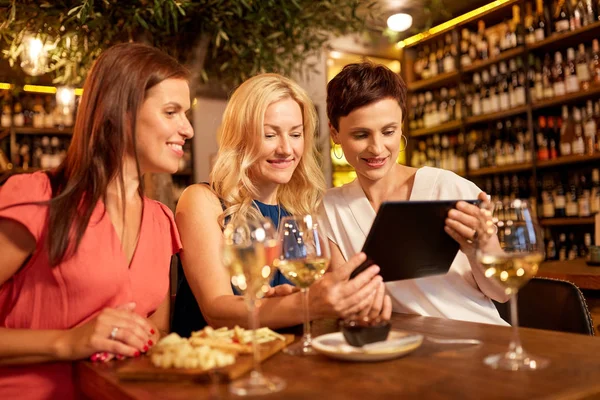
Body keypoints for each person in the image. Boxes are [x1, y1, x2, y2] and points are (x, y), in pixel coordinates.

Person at [0, 43, 193, 399]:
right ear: (121, 112)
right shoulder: (38, 198)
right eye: (171, 112)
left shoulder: (161, 221)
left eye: (186, 114)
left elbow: (154, 333)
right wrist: (66, 341)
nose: (188, 129)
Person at [172, 73, 391, 337]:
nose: (287, 149)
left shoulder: (303, 211)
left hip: (282, 365)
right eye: (270, 134)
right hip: (214, 366)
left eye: (296, 134)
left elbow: (327, 296)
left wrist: (359, 300)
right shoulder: (203, 201)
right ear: (241, 137)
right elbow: (216, 310)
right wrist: (304, 303)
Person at [320, 62, 509, 326]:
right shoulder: (330, 208)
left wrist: (481, 248)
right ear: (335, 133)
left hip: (480, 336)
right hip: (399, 347)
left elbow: (502, 292)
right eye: (361, 134)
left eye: (388, 131)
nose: (377, 148)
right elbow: (344, 301)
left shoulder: (447, 188)